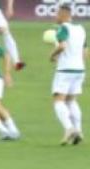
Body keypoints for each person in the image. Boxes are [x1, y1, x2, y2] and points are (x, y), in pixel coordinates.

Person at [49, 4, 85, 145]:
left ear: (64, 14)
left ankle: (69, 129)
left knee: (59, 101)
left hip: (65, 69)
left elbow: (62, 46)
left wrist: (52, 55)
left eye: (57, 13)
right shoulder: (81, 29)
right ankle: (79, 131)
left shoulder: (63, 28)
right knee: (71, 101)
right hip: (79, 69)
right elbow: (85, 52)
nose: (55, 16)